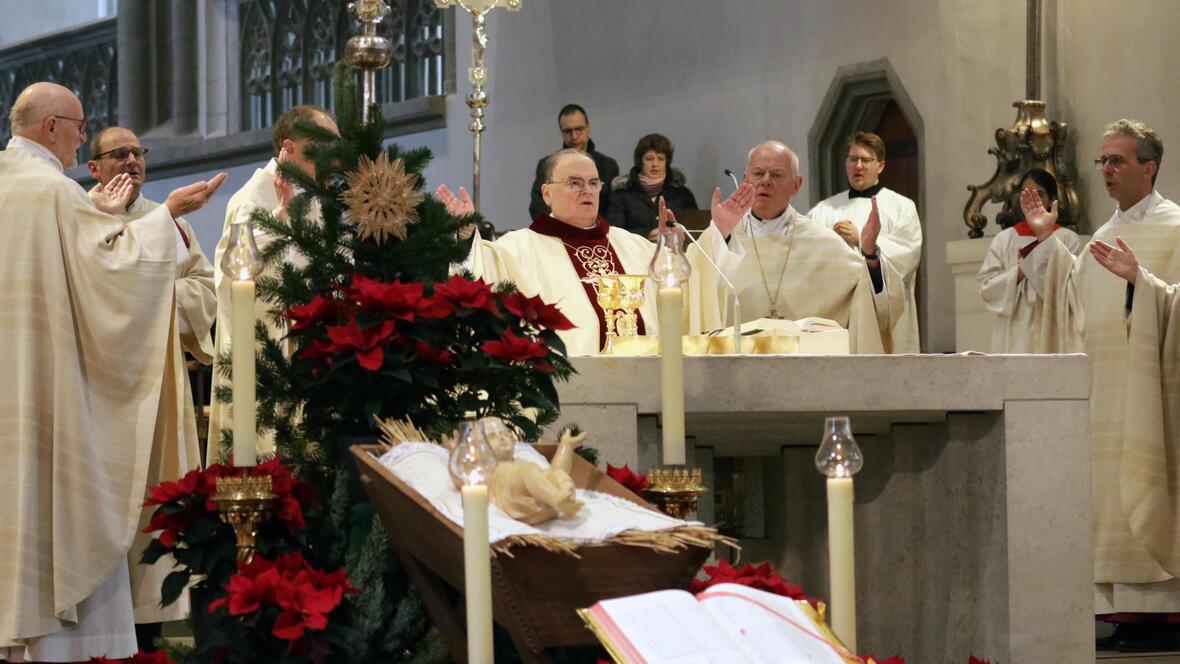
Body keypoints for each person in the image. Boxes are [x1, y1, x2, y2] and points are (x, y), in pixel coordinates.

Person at [0, 81, 225, 662]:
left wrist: (105, 218)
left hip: (12, 384)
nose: (81, 135)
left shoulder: (9, 183)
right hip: (54, 388)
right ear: (52, 127)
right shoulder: (52, 191)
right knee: (57, 510)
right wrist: (164, 217)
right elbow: (109, 274)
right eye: (78, 125)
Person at [1020, 119, 1180, 651]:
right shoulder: (1104, 235)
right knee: (1108, 493)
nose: (1106, 171)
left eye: (1117, 161)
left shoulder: (1175, 227)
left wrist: (1145, 283)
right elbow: (1076, 301)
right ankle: (1121, 611)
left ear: (1149, 167)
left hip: (1155, 395)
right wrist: (1051, 241)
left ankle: (1163, 614)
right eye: (1102, 161)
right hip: (1105, 393)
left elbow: (1169, 300)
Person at [84, 126, 216, 638]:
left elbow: (205, 288)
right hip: (101, 395)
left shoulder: (174, 224)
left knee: (156, 515)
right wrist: (154, 288)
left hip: (162, 392)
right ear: (93, 167)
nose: (133, 162)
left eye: (139, 153)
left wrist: (155, 296)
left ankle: (150, 631)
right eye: (119, 154)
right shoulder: (80, 215)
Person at [208, 105, 339, 464]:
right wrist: (286, 224)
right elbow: (241, 284)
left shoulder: (315, 198)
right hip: (266, 364)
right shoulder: (251, 201)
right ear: (289, 147)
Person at [684, 140, 903, 353]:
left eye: (777, 175)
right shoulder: (723, 238)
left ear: (797, 185)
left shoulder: (823, 243)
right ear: (745, 179)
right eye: (758, 174)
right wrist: (719, 234)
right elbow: (692, 285)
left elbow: (871, 300)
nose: (766, 181)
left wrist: (869, 254)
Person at [443, 148, 659, 355]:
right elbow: (479, 277)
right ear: (547, 194)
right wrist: (466, 236)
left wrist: (674, 246)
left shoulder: (634, 246)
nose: (587, 190)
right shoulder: (516, 249)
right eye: (575, 183)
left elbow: (681, 287)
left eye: (594, 183)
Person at [808, 132, 923, 352]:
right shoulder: (824, 209)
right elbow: (808, 254)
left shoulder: (901, 206)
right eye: (852, 159)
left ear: (880, 165)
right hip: (839, 311)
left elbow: (908, 255)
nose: (858, 166)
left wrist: (862, 239)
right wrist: (831, 241)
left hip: (884, 311)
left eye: (865, 160)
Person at [976, 168, 1082, 353]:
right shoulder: (1005, 239)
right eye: (1026, 194)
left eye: (1039, 194)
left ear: (1051, 199)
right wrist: (1022, 271)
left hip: (1053, 324)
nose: (1033, 200)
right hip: (1013, 325)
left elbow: (1073, 286)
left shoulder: (1067, 239)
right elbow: (987, 287)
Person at [528, 104, 619, 221]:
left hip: (597, 233)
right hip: (558, 231)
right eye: (568, 131)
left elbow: (614, 208)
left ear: (588, 128)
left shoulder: (608, 166)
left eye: (579, 129)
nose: (574, 136)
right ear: (561, 132)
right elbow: (537, 205)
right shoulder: (547, 164)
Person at [606, 133, 698, 241]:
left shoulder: (683, 195)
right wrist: (645, 236)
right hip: (636, 254)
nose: (655, 164)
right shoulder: (621, 195)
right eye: (649, 159)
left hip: (674, 254)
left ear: (667, 162)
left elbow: (695, 231)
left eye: (660, 159)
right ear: (640, 161)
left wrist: (674, 236)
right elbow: (613, 234)